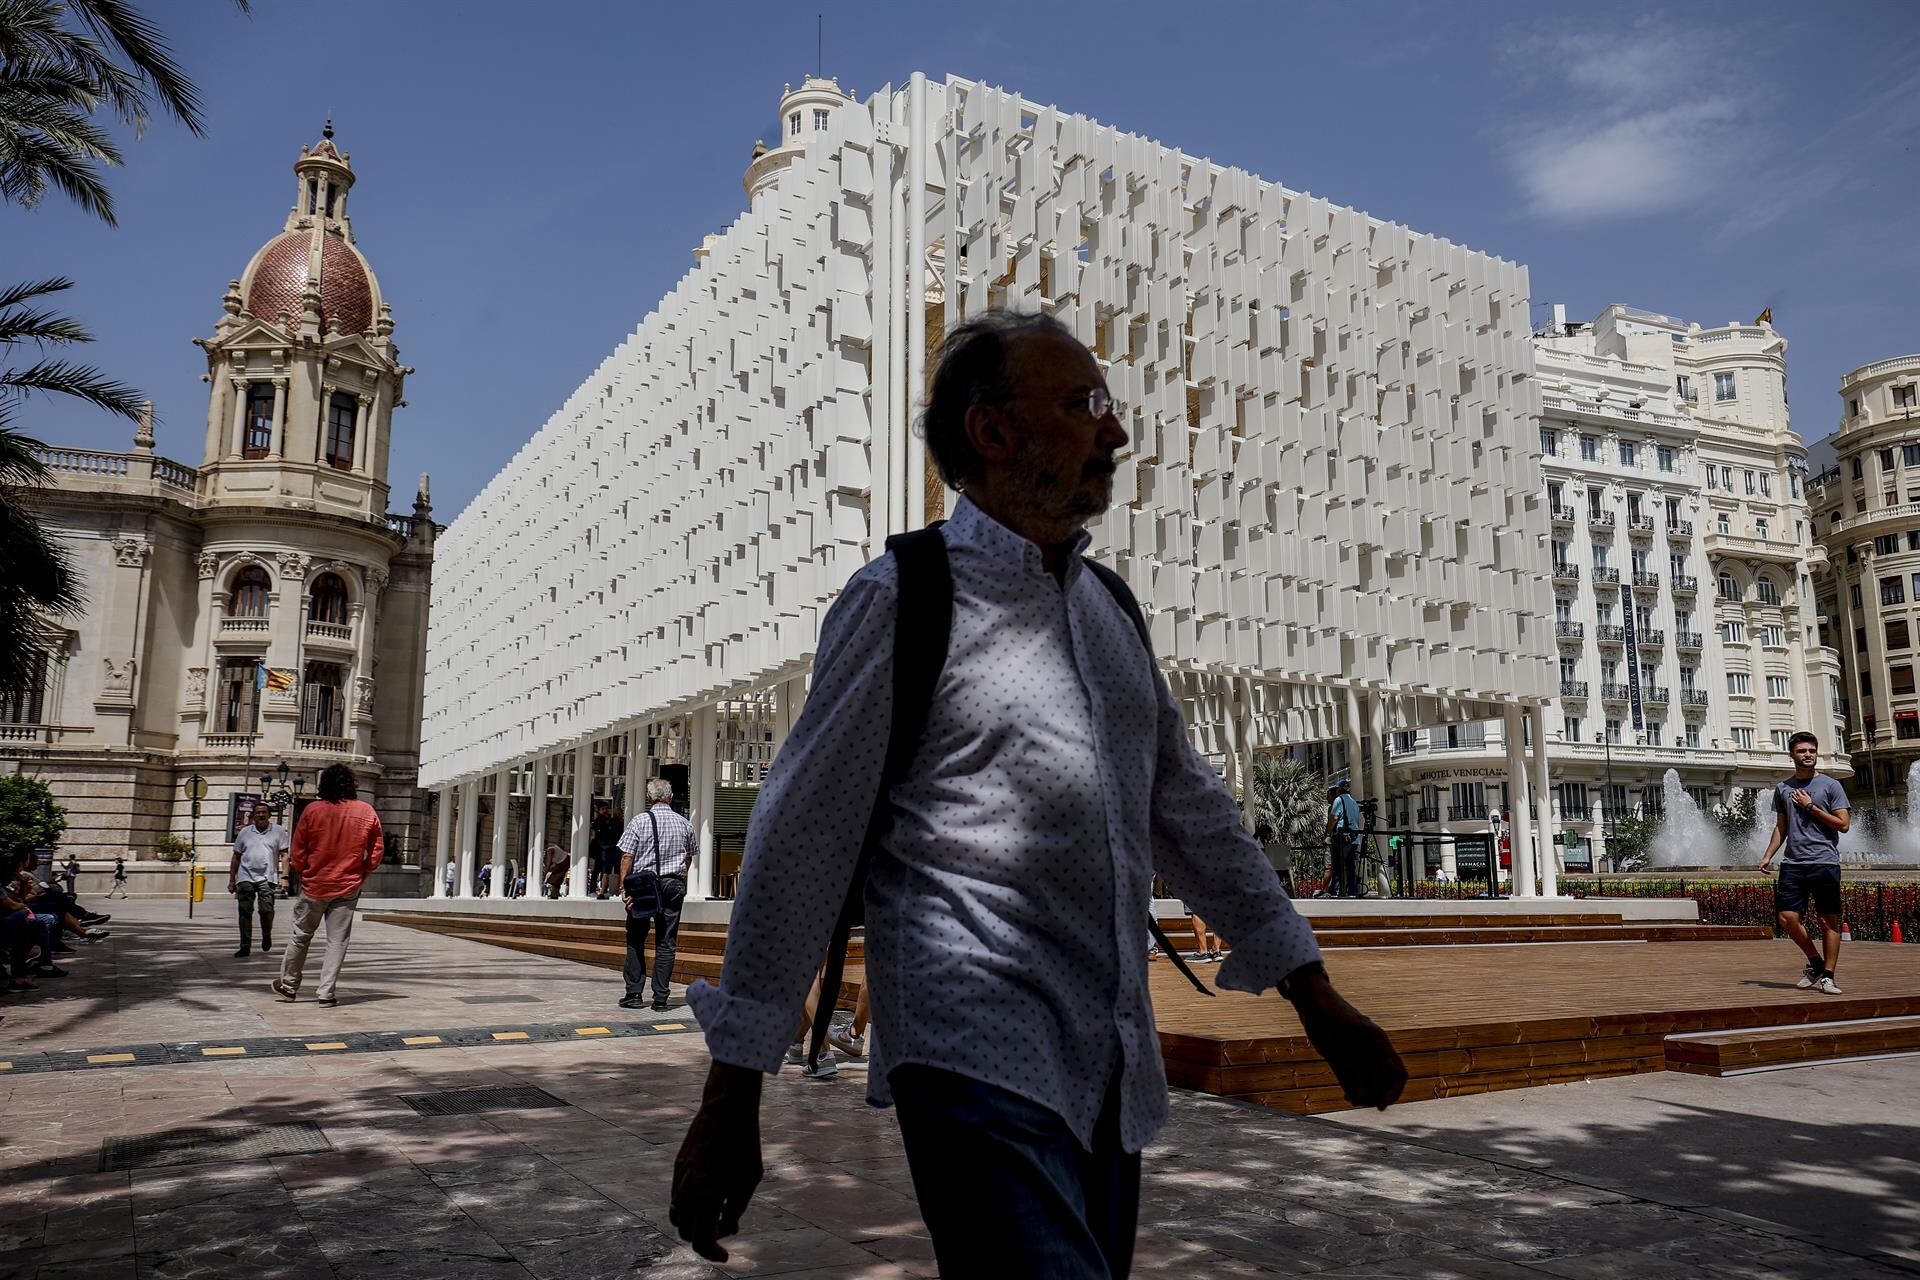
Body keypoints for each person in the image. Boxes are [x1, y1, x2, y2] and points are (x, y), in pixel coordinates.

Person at [670, 310, 1405, 1275]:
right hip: (969, 1051)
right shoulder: (903, 599)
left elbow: (1189, 813)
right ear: (993, 431)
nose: (1115, 430)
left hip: (1108, 1066)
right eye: (1082, 404)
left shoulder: (1112, 611)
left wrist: (1313, 994)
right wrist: (734, 1097)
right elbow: (798, 841)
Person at [272, 764, 382, 1008]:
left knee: (301, 936)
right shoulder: (366, 811)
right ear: (351, 785)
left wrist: (304, 871)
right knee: (337, 941)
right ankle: (326, 993)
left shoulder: (312, 810)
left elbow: (297, 849)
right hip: (348, 884)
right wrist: (364, 870)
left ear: (324, 785)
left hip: (315, 885)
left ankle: (289, 986)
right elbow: (376, 849)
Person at [1758, 731, 1851, 995]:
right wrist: (1768, 855)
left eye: (1811, 750)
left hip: (1824, 861)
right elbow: (1781, 828)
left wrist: (1811, 807)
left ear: (1816, 753)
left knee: (1827, 920)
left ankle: (1829, 976)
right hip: (1793, 862)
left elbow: (1843, 825)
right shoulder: (1783, 788)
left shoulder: (1831, 786)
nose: (1807, 755)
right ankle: (1816, 962)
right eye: (1801, 751)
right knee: (1787, 918)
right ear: (1792, 755)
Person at [617, 779, 696, 1011]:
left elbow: (626, 857)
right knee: (666, 941)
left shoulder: (639, 822)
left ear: (649, 797)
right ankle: (660, 998)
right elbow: (689, 857)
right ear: (670, 798)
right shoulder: (684, 823)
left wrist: (625, 888)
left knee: (635, 938)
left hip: (644, 886)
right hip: (673, 883)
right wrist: (677, 879)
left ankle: (633, 994)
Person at [228, 803, 288, 957]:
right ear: (253, 815)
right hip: (245, 876)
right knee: (244, 912)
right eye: (257, 813)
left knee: (266, 910)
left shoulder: (279, 831)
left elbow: (285, 856)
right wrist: (232, 880)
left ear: (269, 815)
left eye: (264, 812)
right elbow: (236, 857)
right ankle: (245, 945)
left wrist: (285, 878)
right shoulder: (245, 832)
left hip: (268, 876)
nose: (261, 815)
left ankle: (266, 933)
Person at [1327, 780, 1362, 897]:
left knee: (1338, 864)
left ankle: (1336, 890)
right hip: (1354, 838)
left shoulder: (1339, 800)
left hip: (1342, 838)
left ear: (1338, 789)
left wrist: (1328, 833)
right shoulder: (1354, 802)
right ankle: (1351, 891)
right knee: (1350, 865)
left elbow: (1334, 818)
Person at [591, 801, 624, 899]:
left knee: (605, 871)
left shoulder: (607, 821)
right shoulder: (615, 823)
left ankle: (602, 891)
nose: (606, 811)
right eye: (603, 809)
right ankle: (614, 891)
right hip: (612, 849)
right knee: (613, 871)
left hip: (606, 849)